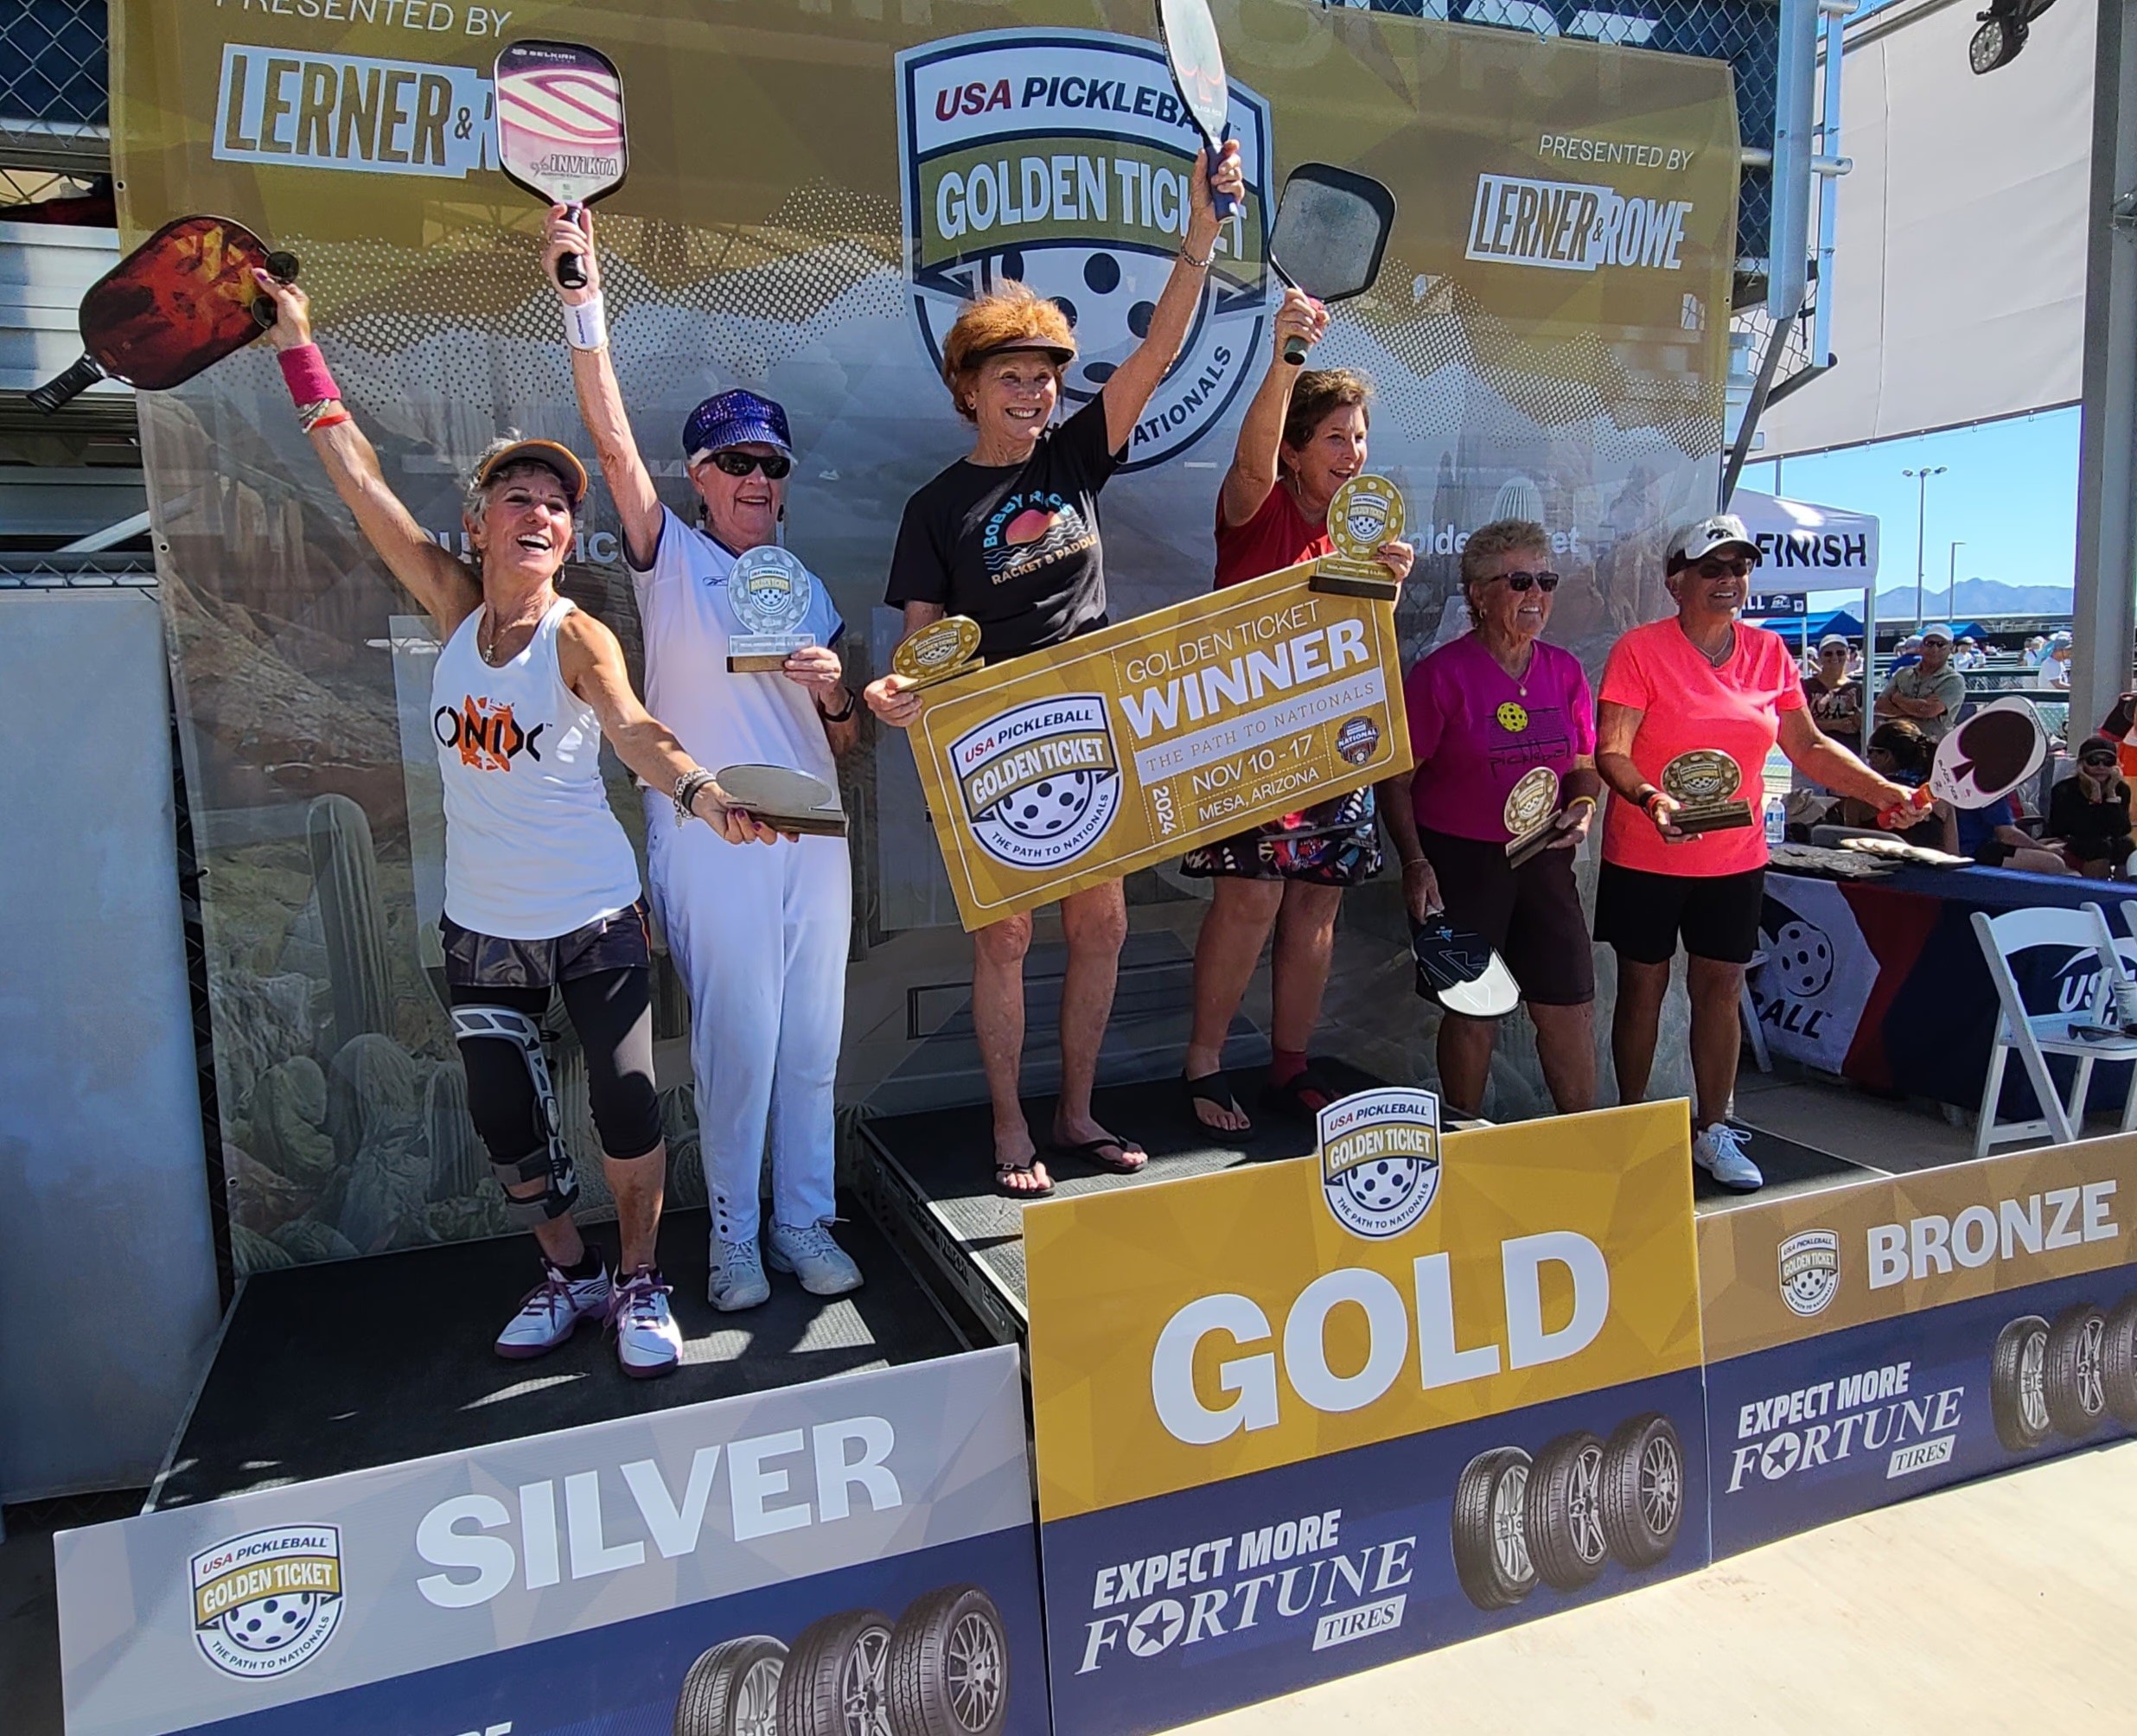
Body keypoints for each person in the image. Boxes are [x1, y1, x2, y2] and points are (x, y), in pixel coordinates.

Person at [253, 271, 779, 1375]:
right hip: (484, 925)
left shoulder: (578, 637)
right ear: (478, 523)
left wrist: (701, 792)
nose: (539, 512)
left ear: (568, 536)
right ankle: (570, 1273)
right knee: (504, 1124)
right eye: (518, 497)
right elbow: (359, 482)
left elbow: (635, 731)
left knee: (627, 1105)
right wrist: (299, 345)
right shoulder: (452, 607)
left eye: (556, 504)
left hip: (593, 917)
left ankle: (640, 1279)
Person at [864, 139, 1248, 1197]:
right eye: (1012, 376)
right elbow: (920, 644)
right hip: (993, 737)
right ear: (969, 388)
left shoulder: (1075, 458)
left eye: (1045, 376)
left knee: (1103, 924)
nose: (1034, 392)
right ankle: (1008, 1123)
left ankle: (1076, 1111)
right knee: (1006, 936)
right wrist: (899, 690)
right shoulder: (934, 507)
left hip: (1093, 723)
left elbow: (1159, 351)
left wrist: (1202, 229)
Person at [545, 207, 864, 1312]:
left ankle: (803, 1222)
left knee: (812, 1042)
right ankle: (731, 1241)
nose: (759, 479)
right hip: (712, 829)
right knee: (740, 1044)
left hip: (813, 833)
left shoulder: (803, 583)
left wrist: (835, 695)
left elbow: (846, 740)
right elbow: (610, 442)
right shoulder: (669, 557)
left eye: (772, 464)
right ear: (700, 475)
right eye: (738, 462)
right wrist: (583, 301)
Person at [1594, 514, 1917, 1191]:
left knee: (1721, 989)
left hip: (1734, 858)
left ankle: (1714, 1128)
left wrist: (1883, 790)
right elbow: (1612, 751)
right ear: (1676, 581)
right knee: (1643, 989)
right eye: (1712, 568)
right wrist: (1650, 799)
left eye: (1740, 567)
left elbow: (1808, 748)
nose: (1729, 580)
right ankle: (1630, 1129)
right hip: (1647, 852)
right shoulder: (1639, 649)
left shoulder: (1770, 652)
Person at [1176, 295, 1413, 1130]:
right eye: (1335, 438)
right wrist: (1289, 351)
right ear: (1293, 449)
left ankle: (1290, 1066)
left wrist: (1388, 588)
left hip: (1336, 746)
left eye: (1360, 438)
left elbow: (1362, 648)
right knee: (1250, 900)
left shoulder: (1362, 536)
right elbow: (1249, 462)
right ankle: (1204, 1064)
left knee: (1316, 902)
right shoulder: (1257, 508)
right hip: (1250, 740)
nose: (1353, 455)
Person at [1381, 519, 1599, 1118]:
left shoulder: (1565, 672)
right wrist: (1416, 862)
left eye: (1546, 581)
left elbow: (1584, 766)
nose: (1536, 595)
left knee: (1570, 1006)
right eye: (1520, 581)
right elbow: (1395, 781)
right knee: (1473, 1014)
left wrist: (1582, 809)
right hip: (1463, 865)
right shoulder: (1440, 676)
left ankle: (1585, 1143)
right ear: (1478, 594)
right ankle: (1465, 1137)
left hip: (1544, 858)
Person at [1843, 722, 1957, 852]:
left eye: (1870, 750)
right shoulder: (1941, 801)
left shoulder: (1860, 799)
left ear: (1886, 756)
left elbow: (1848, 850)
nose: (1868, 757)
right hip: (1931, 866)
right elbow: (1953, 854)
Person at [2045, 737, 2136, 877]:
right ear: (2081, 764)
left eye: (2108, 762)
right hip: (2068, 840)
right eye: (2094, 761)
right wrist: (2094, 796)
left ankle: (2124, 886)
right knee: (2099, 847)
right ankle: (2095, 886)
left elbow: (2122, 829)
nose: (2101, 767)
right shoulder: (2065, 789)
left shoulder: (2120, 789)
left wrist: (2111, 794)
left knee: (2126, 845)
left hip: (2103, 840)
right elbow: (2068, 828)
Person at [1876, 622, 1966, 740]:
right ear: (1921, 647)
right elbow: (1880, 705)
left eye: (1941, 644)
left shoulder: (1953, 680)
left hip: (1931, 743)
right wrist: (1917, 707)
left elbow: (1928, 710)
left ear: (1951, 649)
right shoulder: (1902, 673)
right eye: (1930, 643)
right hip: (1895, 740)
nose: (1934, 649)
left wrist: (1898, 699)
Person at [1802, 634, 1862, 758]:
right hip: (1811, 755)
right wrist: (1836, 724)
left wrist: (1856, 714)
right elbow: (1800, 724)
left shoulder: (1857, 688)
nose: (1834, 657)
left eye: (1840, 653)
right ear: (1820, 657)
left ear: (1848, 655)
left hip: (1848, 755)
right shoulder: (1806, 686)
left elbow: (1862, 725)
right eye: (1828, 654)